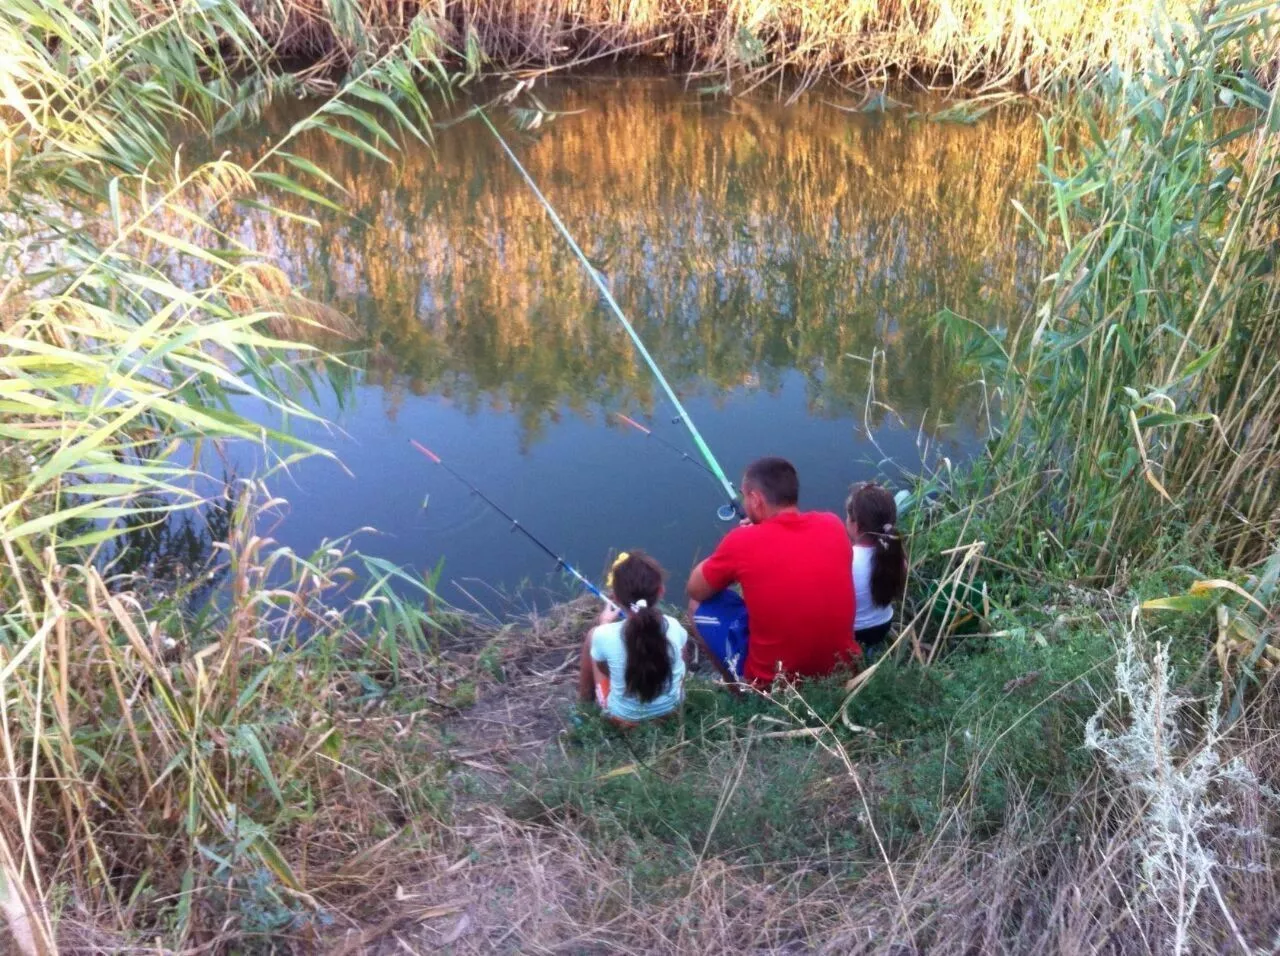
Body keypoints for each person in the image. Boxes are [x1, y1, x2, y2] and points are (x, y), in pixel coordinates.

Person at [685, 457, 858, 686]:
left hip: (774, 684)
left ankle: (738, 690)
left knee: (696, 606)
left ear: (756, 499)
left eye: (745, 496)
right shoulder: (833, 524)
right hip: (842, 668)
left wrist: (736, 541)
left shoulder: (741, 543)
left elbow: (695, 589)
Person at [577, 550, 689, 725]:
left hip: (623, 721)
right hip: (672, 712)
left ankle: (583, 705)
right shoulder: (674, 626)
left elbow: (605, 671)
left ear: (615, 598)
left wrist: (604, 625)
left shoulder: (603, 635)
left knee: (593, 637)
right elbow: (683, 663)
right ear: (661, 591)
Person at [845, 482, 908, 659]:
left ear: (856, 525)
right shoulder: (896, 555)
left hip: (854, 632)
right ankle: (871, 653)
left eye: (848, 517)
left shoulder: (848, 559)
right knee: (870, 648)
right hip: (882, 625)